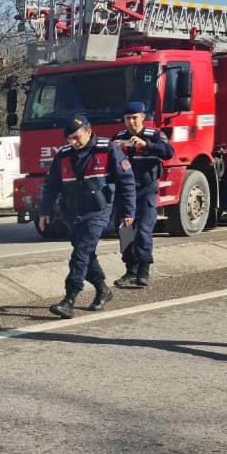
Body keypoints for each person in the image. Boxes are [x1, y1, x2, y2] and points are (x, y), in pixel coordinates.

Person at [37, 113, 135, 318]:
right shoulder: (63, 154)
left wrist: (128, 212)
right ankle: (102, 289)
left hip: (99, 212)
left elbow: (126, 182)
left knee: (80, 253)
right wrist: (44, 211)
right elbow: (51, 185)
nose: (73, 142)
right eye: (69, 139)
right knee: (86, 254)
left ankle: (69, 298)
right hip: (72, 213)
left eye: (76, 137)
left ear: (88, 132)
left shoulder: (108, 149)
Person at [111, 101, 174, 288]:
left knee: (144, 230)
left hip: (146, 189)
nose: (131, 122)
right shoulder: (119, 137)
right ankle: (130, 270)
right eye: (128, 118)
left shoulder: (154, 135)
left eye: (135, 118)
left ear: (143, 118)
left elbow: (169, 152)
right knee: (125, 232)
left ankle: (144, 270)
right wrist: (113, 148)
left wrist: (147, 145)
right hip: (124, 192)